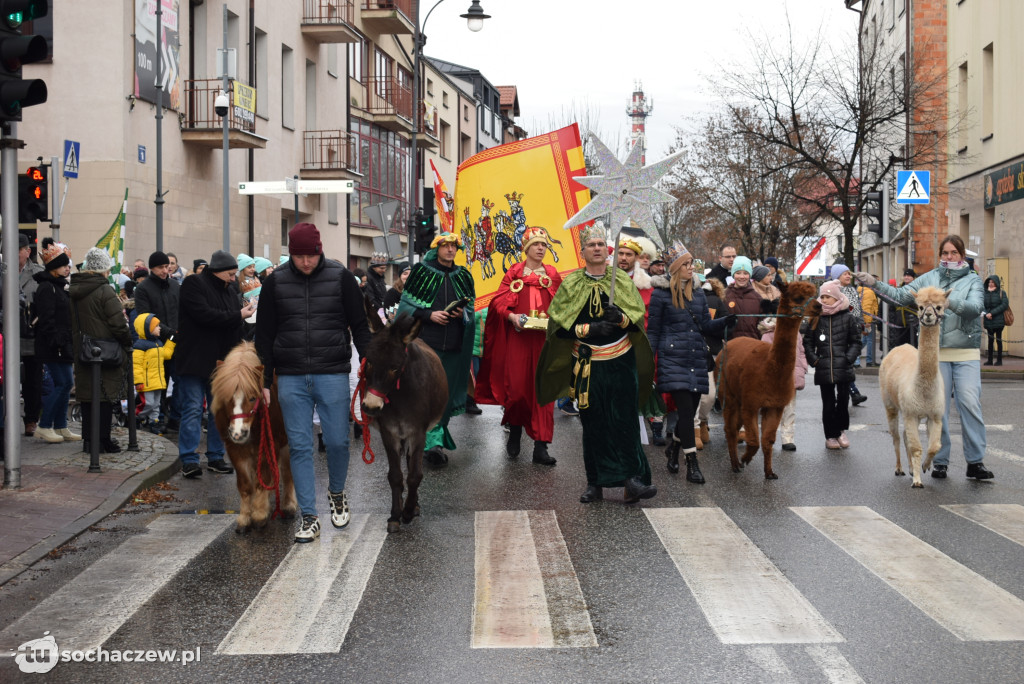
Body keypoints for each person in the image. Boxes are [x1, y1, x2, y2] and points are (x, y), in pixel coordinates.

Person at [255, 222, 371, 543]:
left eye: (311, 255)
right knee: (300, 446)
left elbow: (359, 325)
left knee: (337, 441)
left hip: (332, 372)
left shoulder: (341, 278)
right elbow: (263, 336)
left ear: (320, 251)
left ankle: (336, 492)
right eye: (299, 256)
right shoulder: (275, 282)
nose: (306, 262)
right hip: (289, 376)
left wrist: (367, 360)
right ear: (290, 254)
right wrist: (265, 381)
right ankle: (309, 516)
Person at [536, 227, 657, 504]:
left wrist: (621, 318)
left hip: (621, 361)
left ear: (608, 249)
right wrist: (590, 329)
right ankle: (595, 483)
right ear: (583, 252)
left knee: (624, 422)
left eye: (602, 243)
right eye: (591, 244)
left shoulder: (622, 282)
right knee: (594, 425)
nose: (597, 248)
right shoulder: (572, 283)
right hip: (588, 364)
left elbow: (636, 320)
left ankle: (632, 480)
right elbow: (558, 326)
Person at [856, 235, 992, 480]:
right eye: (945, 253)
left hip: (965, 352)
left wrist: (948, 301)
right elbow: (901, 296)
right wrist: (874, 285)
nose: (949, 257)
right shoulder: (929, 278)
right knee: (938, 409)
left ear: (962, 255)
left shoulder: (973, 281)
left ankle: (975, 461)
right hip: (935, 353)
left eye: (954, 253)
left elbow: (974, 309)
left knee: (970, 403)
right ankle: (940, 460)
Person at [647, 242, 733, 483]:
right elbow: (652, 332)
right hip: (672, 359)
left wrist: (726, 322)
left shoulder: (698, 292)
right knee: (686, 413)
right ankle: (692, 465)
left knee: (689, 412)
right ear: (675, 268)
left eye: (691, 262)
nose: (691, 267)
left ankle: (674, 450)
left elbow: (705, 325)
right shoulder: (660, 294)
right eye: (686, 263)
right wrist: (647, 363)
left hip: (696, 357)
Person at [476, 226, 562, 465]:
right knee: (516, 390)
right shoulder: (513, 272)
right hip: (518, 340)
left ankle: (541, 446)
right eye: (536, 244)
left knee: (543, 393)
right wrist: (512, 317)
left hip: (544, 343)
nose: (541, 248)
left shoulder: (553, 274)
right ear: (526, 248)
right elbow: (498, 303)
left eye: (544, 245)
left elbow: (564, 304)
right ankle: (515, 432)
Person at [398, 232, 476, 465]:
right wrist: (429, 314)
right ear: (437, 248)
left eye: (454, 246)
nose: (450, 250)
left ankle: (434, 442)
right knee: (423, 394)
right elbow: (406, 307)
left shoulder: (464, 275)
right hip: (425, 345)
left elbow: (471, 310)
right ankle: (424, 440)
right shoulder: (421, 272)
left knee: (444, 395)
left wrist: (462, 313)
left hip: (453, 345)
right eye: (446, 246)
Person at [175, 250, 254, 479]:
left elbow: (232, 324)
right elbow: (205, 316)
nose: (233, 279)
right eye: (230, 274)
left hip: (221, 362)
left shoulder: (230, 291)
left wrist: (246, 325)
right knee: (192, 408)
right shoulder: (193, 284)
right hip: (194, 358)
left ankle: (216, 456)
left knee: (218, 410)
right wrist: (238, 315)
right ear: (218, 271)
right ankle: (189, 459)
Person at [70, 248, 133, 453]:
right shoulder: (105, 290)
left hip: (83, 348)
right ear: (104, 269)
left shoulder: (76, 288)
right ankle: (103, 440)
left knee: (88, 397)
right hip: (105, 350)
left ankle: (89, 441)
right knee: (105, 397)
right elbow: (117, 323)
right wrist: (127, 340)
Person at [803, 280, 862, 450]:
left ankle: (841, 430)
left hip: (843, 367)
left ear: (836, 298)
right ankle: (830, 435)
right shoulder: (816, 318)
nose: (825, 300)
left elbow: (855, 342)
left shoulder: (848, 317)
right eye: (823, 296)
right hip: (824, 368)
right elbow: (807, 342)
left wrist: (848, 359)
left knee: (843, 400)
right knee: (828, 404)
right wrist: (814, 360)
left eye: (828, 296)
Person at [32, 242, 80, 443]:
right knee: (63, 384)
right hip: (53, 344)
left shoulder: (59, 286)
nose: (67, 268)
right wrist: (57, 341)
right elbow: (47, 319)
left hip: (62, 343)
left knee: (66, 384)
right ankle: (44, 425)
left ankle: (61, 426)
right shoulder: (46, 287)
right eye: (63, 265)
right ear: (53, 267)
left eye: (67, 265)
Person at [133, 250, 181, 432]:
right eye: (160, 267)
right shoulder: (144, 288)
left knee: (180, 382)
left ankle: (175, 417)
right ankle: (157, 418)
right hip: (155, 344)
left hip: (176, 343)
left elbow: (181, 312)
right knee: (159, 383)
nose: (165, 270)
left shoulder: (175, 286)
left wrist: (177, 334)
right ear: (152, 268)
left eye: (166, 267)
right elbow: (145, 317)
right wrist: (169, 333)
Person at [18, 233, 44, 437]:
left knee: (32, 380)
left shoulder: (37, 273)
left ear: (27, 252)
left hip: (30, 336)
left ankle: (31, 418)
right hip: (6, 335)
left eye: (19, 250)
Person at [830, 264, 867, 405]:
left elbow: (857, 308)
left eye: (848, 273)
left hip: (854, 330)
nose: (848, 276)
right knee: (845, 365)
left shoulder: (852, 289)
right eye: (845, 273)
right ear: (837, 276)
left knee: (846, 364)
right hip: (840, 332)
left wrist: (862, 324)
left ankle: (852, 393)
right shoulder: (833, 290)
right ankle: (853, 393)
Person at [132, 314, 175, 433]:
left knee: (156, 405)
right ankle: (136, 416)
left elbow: (166, 354)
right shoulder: (139, 346)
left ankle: (154, 422)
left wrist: (171, 340)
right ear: (147, 329)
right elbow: (136, 366)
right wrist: (138, 381)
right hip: (146, 383)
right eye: (156, 326)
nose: (160, 328)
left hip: (158, 381)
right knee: (149, 404)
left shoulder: (158, 343)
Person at [723, 256, 762, 340]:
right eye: (738, 273)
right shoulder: (724, 296)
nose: (742, 277)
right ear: (733, 274)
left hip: (752, 346)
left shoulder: (758, 298)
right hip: (730, 347)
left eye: (745, 273)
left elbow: (762, 326)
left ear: (750, 275)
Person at [888, 268, 919, 349]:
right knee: (901, 347)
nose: (906, 277)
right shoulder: (899, 289)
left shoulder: (917, 289)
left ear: (913, 278)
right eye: (905, 275)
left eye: (909, 276)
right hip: (900, 324)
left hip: (913, 324)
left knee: (913, 347)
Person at [982, 275, 1009, 366]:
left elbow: (1004, 305)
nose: (991, 284)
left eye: (992, 282)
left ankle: (999, 360)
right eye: (989, 282)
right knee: (990, 340)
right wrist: (986, 313)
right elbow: (981, 305)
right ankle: (990, 360)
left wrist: (992, 313)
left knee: (998, 340)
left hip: (998, 320)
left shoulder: (1001, 293)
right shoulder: (984, 293)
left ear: (996, 283)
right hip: (988, 320)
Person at [857, 280, 879, 367]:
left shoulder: (863, 291)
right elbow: (866, 308)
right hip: (868, 321)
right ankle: (870, 360)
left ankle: (854, 355)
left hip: (866, 320)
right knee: (870, 340)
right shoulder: (869, 292)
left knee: (865, 340)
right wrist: (868, 322)